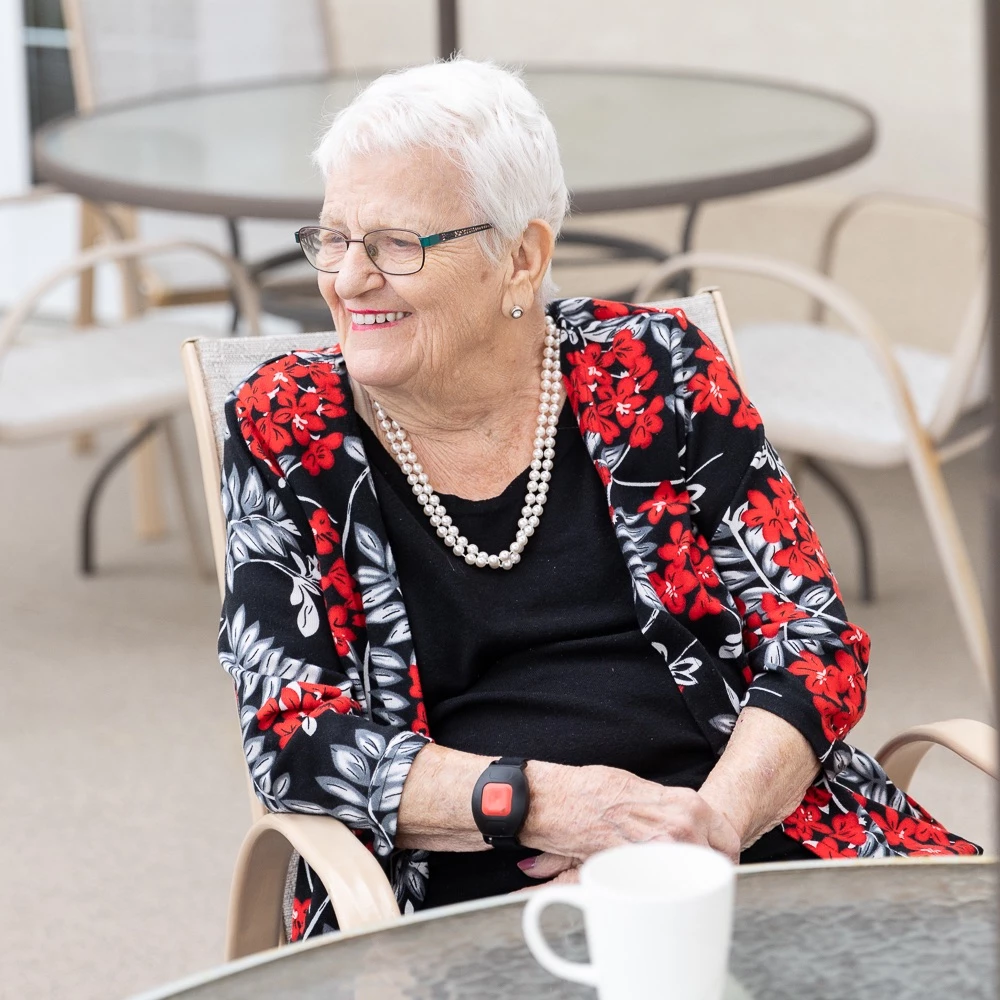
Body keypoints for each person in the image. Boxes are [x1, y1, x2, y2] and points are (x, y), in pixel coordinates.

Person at [219, 58, 977, 941]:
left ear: (522, 258)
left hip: (743, 826)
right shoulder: (288, 422)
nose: (347, 281)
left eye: (395, 244)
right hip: (466, 883)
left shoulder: (654, 368)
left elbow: (813, 644)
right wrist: (544, 802)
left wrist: (705, 833)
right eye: (333, 238)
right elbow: (292, 735)